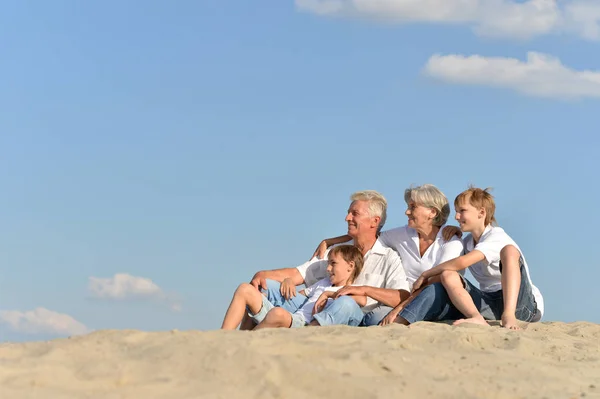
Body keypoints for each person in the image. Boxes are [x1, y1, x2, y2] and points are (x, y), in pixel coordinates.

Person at [240, 190, 409, 329]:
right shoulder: (335, 252)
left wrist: (363, 290)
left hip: (353, 317)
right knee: (262, 284)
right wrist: (264, 275)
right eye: (348, 212)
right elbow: (299, 273)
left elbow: (401, 296)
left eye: (354, 213)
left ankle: (305, 331)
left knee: (346, 302)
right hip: (314, 309)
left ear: (375, 221)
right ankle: (238, 338)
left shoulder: (389, 257)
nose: (347, 218)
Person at [387, 187, 544, 330]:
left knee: (509, 251)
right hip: (490, 302)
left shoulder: (496, 236)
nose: (456, 216)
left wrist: (425, 274)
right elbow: (452, 267)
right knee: (448, 274)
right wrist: (454, 230)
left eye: (462, 211)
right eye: (456, 211)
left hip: (521, 305)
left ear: (481, 213)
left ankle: (509, 314)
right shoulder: (468, 242)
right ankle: (476, 316)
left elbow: (462, 262)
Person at [313, 184, 464, 323]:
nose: (407, 212)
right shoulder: (403, 234)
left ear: (432, 212)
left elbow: (437, 281)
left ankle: (402, 320)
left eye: (413, 207)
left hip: (434, 300)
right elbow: (369, 233)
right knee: (376, 317)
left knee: (433, 289)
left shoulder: (451, 242)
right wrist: (330, 241)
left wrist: (400, 308)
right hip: (408, 301)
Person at [249, 245, 366, 330]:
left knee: (277, 314)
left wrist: (329, 294)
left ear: (350, 266)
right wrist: (288, 281)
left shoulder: (353, 289)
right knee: (254, 289)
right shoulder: (324, 282)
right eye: (328, 264)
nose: (328, 269)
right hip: (299, 316)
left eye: (333, 263)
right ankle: (241, 335)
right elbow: (299, 296)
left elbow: (362, 300)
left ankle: (249, 340)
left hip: (309, 324)